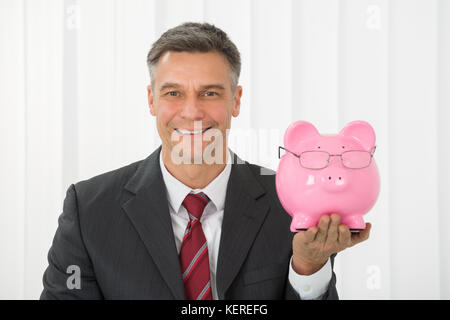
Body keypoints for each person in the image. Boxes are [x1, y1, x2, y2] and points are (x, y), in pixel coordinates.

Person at [40, 22, 371, 300]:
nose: (192, 112)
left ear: (236, 100)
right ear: (151, 100)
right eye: (173, 93)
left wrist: (308, 267)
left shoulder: (290, 204)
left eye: (210, 93)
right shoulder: (89, 210)